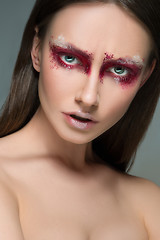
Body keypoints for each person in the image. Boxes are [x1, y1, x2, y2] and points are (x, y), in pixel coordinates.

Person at [0, 0, 160, 239]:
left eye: (119, 70)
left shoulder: (148, 201)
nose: (88, 97)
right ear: (36, 50)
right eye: (69, 58)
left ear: (145, 76)